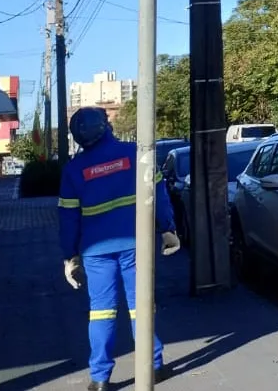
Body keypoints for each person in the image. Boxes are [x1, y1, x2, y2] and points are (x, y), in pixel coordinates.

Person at [58, 108, 182, 390]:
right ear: (106, 127)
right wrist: (167, 228)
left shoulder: (74, 170)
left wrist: (69, 256)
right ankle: (153, 366)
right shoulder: (135, 154)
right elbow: (158, 195)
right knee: (141, 306)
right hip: (136, 245)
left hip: (95, 252)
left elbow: (68, 218)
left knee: (101, 312)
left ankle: (100, 378)